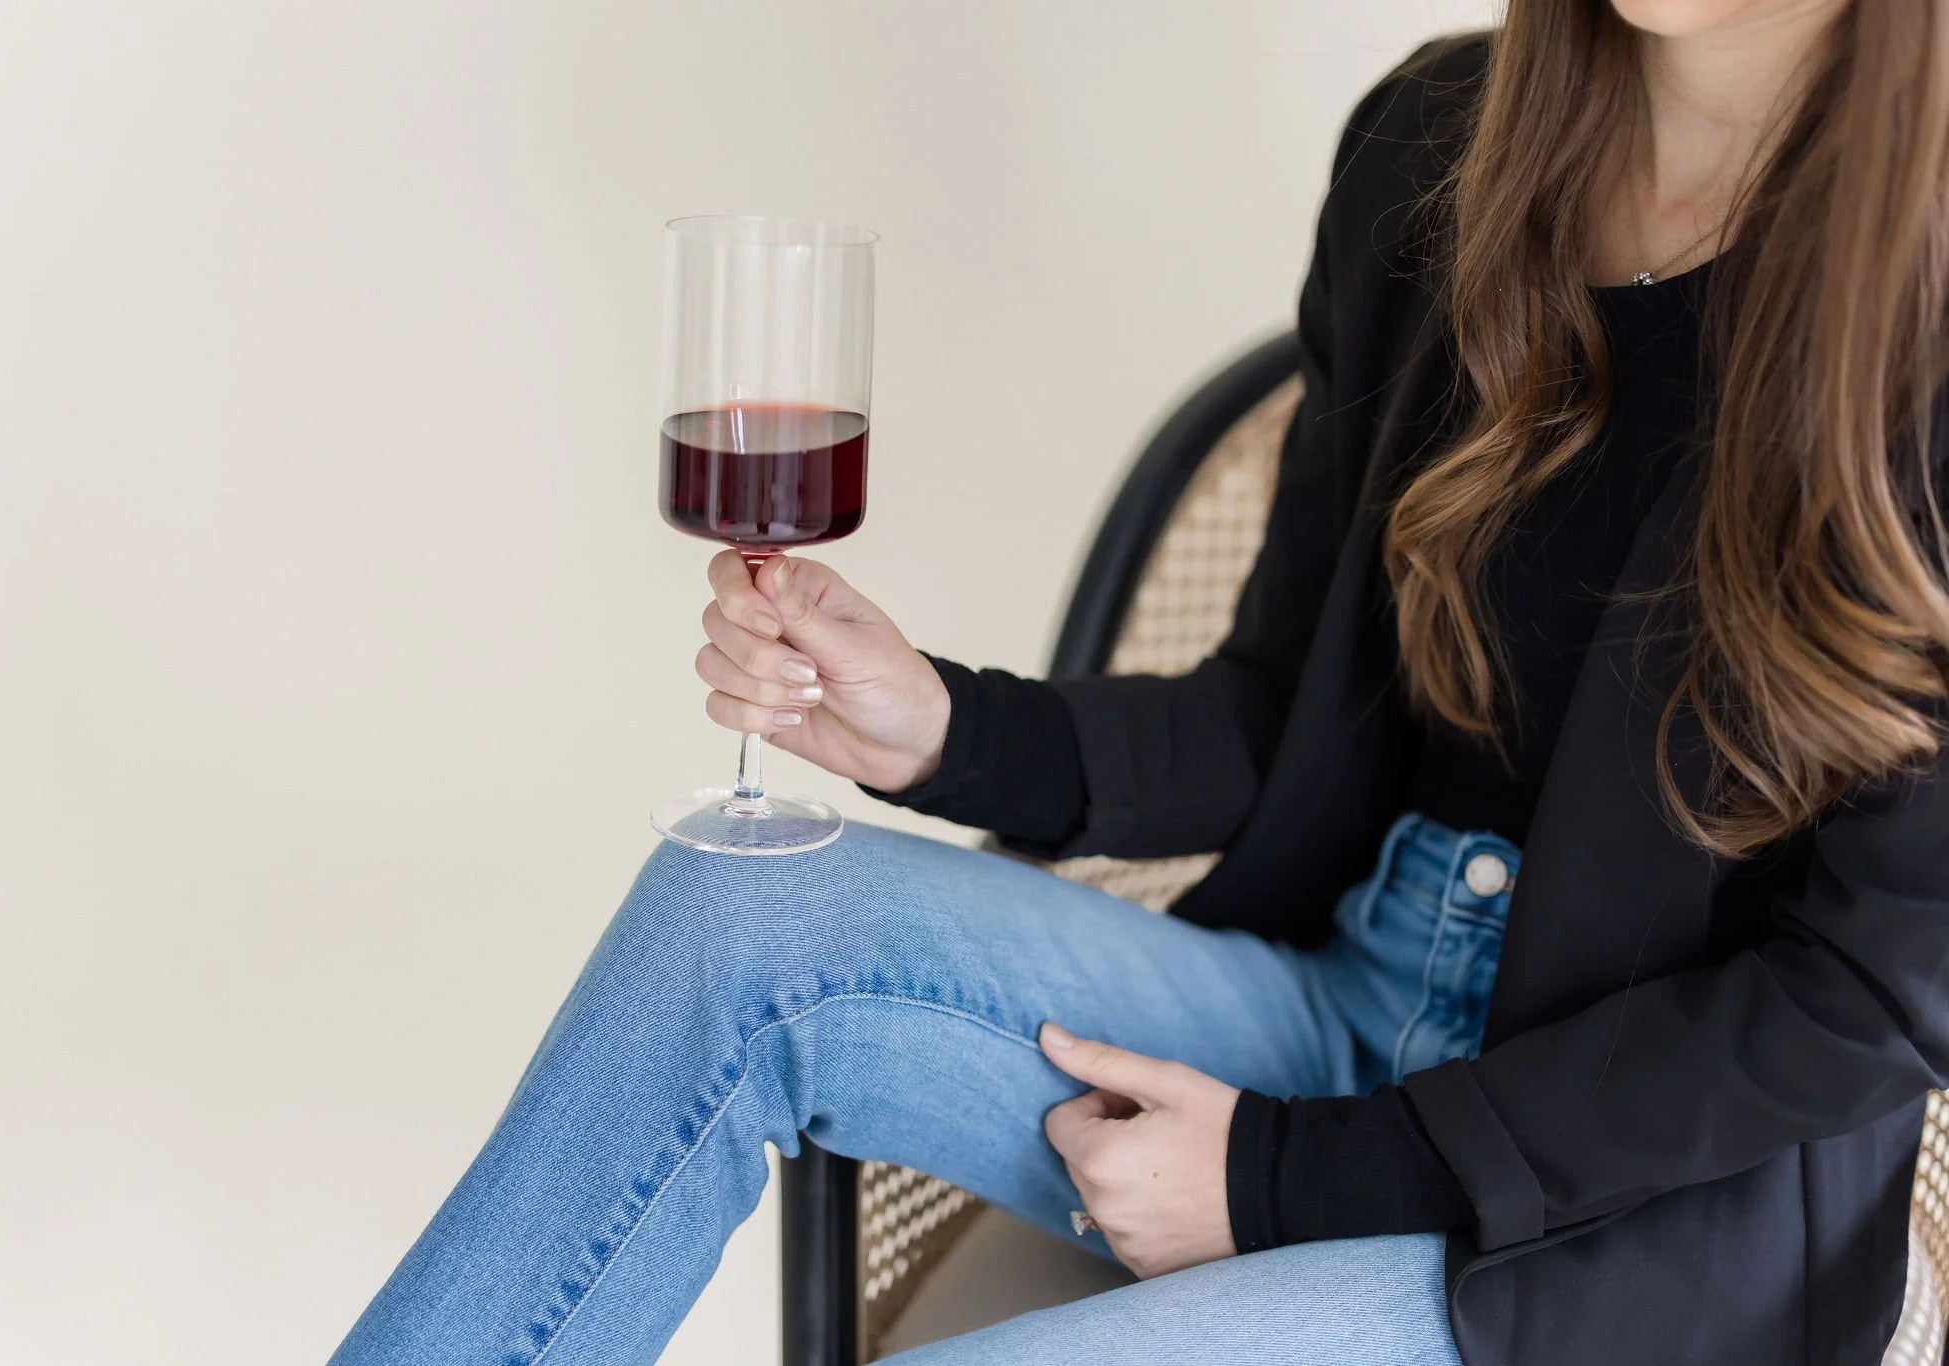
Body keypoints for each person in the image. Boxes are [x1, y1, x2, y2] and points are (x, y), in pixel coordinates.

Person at [331, 1, 1949, 1362]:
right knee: (733, 914)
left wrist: (1283, 1178)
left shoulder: (1925, 301)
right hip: (1340, 994)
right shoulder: (1437, 152)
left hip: (1632, 1226)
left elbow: (1873, 998)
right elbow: (1281, 711)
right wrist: (946, 725)